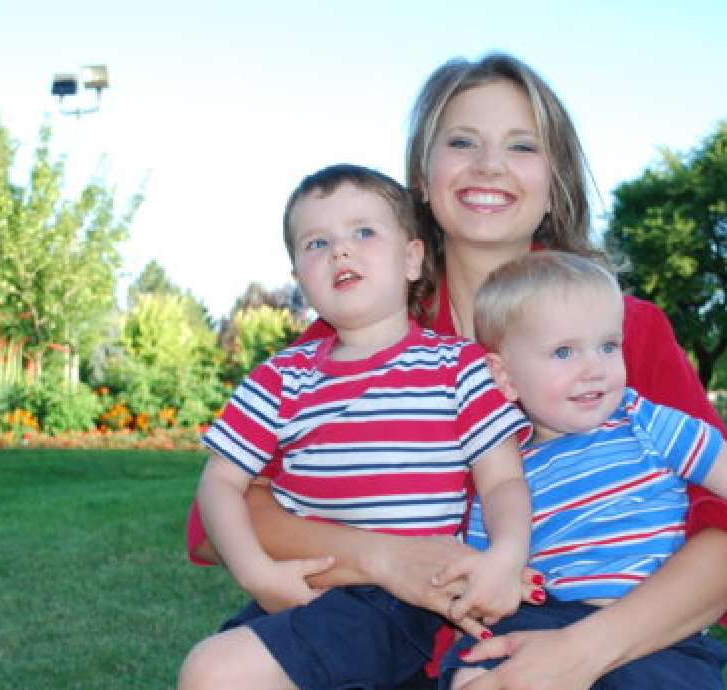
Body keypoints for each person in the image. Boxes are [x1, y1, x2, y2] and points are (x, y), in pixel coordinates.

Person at [187, 53, 727, 689]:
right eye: (462, 141)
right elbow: (232, 514)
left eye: (522, 146)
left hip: (598, 637)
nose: (489, 165)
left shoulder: (624, 332)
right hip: (380, 632)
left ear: (557, 182)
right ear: (422, 174)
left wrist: (578, 654)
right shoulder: (349, 337)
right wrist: (385, 558)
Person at [436, 250, 727, 689]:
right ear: (505, 375)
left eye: (608, 346)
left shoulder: (645, 422)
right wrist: (495, 586)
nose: (594, 368)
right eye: (564, 351)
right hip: (541, 620)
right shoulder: (503, 469)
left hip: (653, 634)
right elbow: (486, 578)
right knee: (472, 672)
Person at [178, 164, 533, 690]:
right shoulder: (280, 379)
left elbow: (502, 478)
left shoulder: (458, 368)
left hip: (399, 605)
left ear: (412, 259)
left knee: (215, 672)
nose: (340, 251)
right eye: (317, 243)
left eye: (363, 232)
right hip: (308, 583)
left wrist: (506, 556)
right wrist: (256, 573)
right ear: (299, 279)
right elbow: (219, 482)